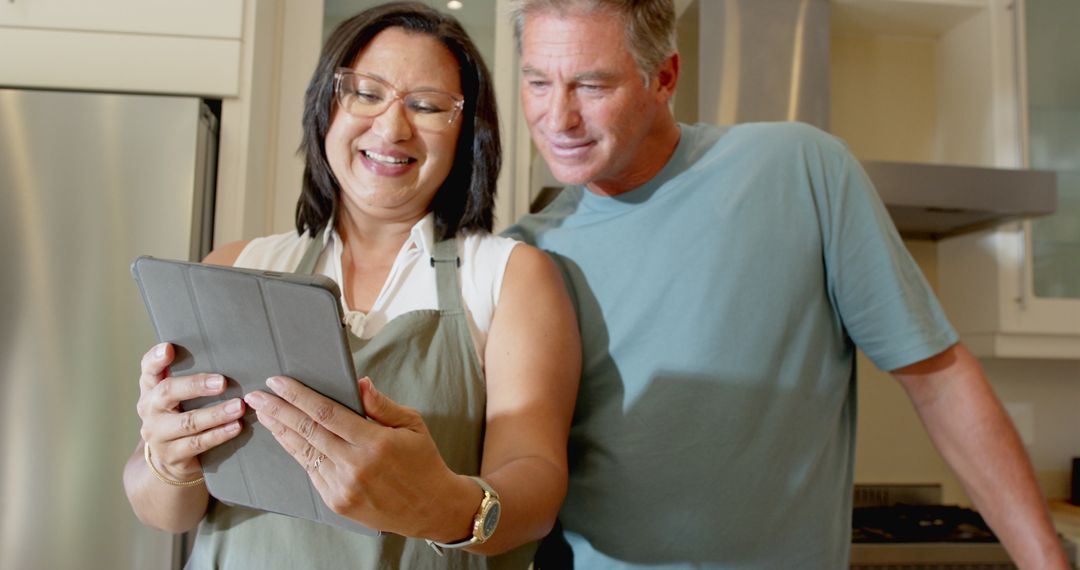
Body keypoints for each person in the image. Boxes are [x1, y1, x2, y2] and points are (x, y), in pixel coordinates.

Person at [503, 0, 1071, 568]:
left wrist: (1047, 563)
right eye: (537, 82)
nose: (558, 118)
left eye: (592, 86)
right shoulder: (521, 256)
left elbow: (939, 381)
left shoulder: (802, 168)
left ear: (664, 77)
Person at [122, 3, 580, 568]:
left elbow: (536, 487)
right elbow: (165, 512)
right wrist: (167, 460)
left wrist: (438, 503)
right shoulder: (237, 265)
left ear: (467, 135)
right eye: (365, 93)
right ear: (325, 108)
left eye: (429, 105)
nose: (391, 127)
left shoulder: (508, 276)